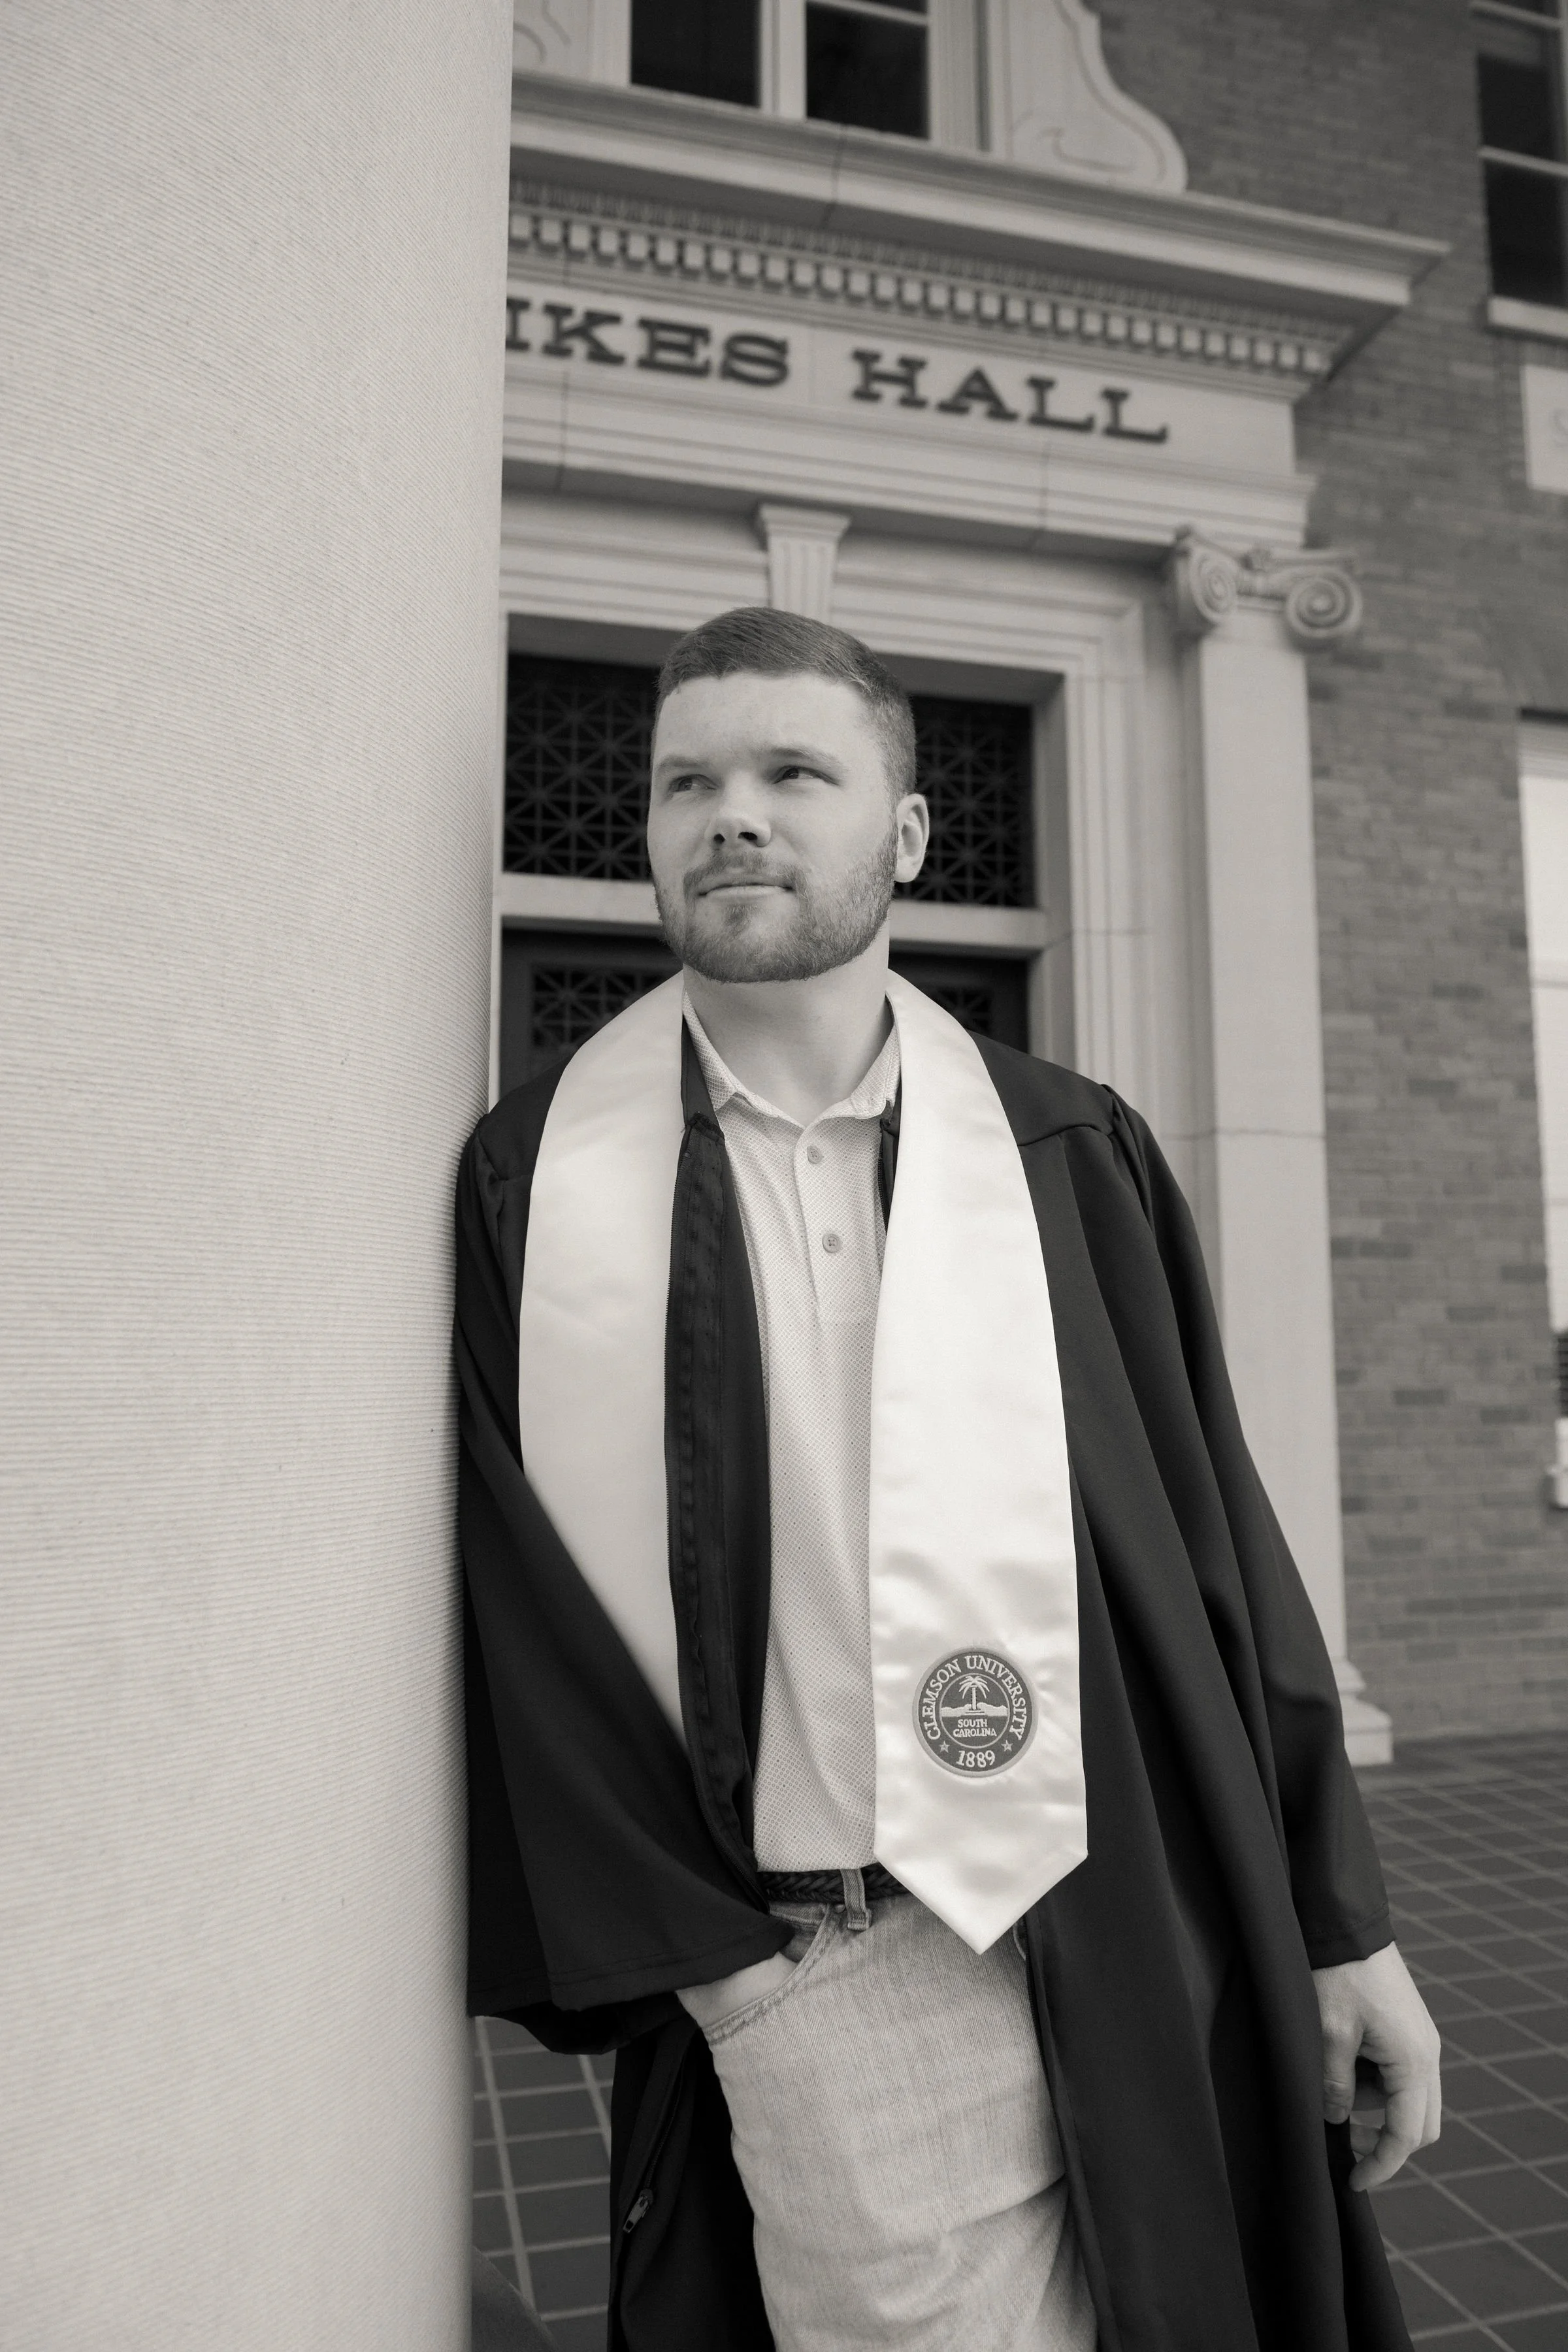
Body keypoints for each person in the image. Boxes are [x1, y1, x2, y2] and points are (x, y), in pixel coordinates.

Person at [455, 607, 1441, 2352]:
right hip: (823, 1962)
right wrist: (746, 2000)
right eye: (690, 781)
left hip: (1119, 1908)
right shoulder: (542, 1186)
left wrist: (1336, 1919)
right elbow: (523, 1621)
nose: (730, 813)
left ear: (904, 834)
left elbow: (1221, 1541)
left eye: (791, 773)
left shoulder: (1071, 1152)